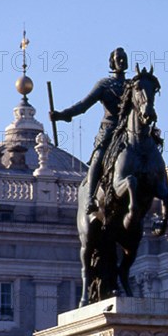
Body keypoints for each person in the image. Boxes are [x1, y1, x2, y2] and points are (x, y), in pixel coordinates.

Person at [50, 47, 129, 214]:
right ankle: (90, 198)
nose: (122, 61)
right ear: (112, 62)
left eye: (124, 58)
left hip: (128, 130)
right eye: (118, 58)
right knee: (99, 157)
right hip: (110, 129)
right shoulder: (104, 85)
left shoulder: (132, 85)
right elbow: (84, 105)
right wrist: (63, 115)